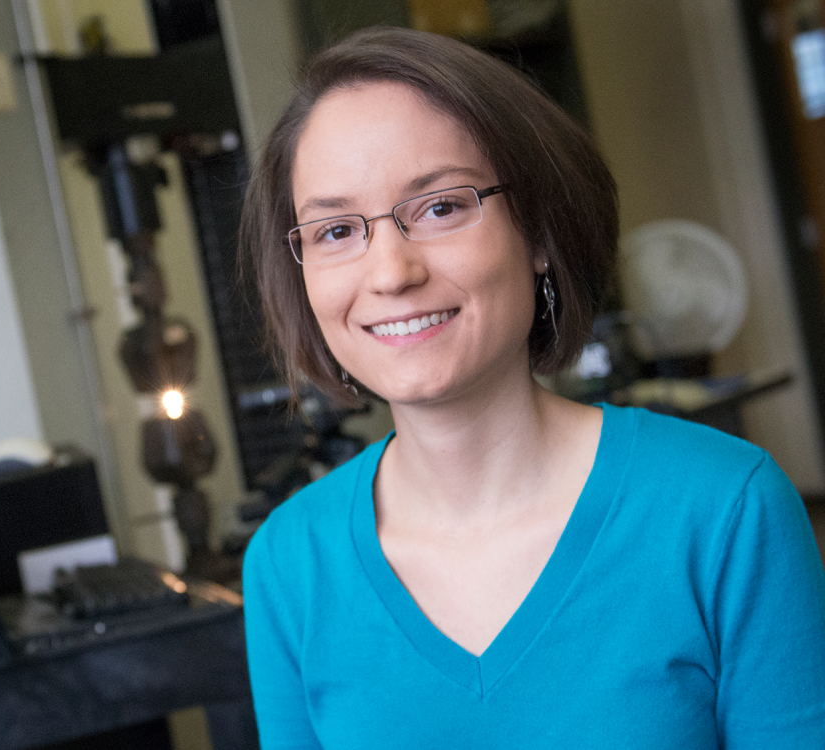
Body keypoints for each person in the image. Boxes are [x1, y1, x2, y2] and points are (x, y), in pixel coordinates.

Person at [238, 26, 825, 749]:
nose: (390, 273)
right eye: (335, 231)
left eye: (441, 207)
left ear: (540, 234)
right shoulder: (288, 564)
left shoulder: (723, 510)